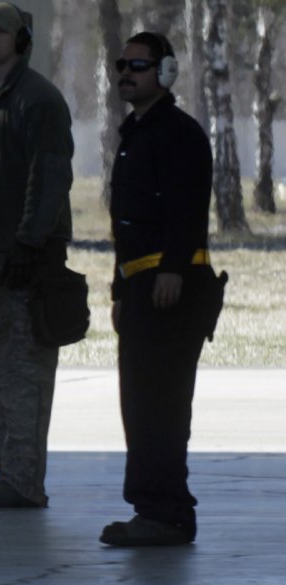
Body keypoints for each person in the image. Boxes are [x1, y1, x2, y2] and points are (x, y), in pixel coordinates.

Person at [0, 1, 74, 510]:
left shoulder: (38, 101)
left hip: (26, 258)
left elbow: (48, 179)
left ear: (22, 39)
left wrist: (29, 242)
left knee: (23, 369)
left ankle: (23, 480)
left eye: (0, 30)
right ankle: (9, 472)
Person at [102, 31, 218, 547]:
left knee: (162, 405)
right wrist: (120, 290)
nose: (127, 72)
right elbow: (125, 225)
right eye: (122, 64)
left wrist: (172, 268)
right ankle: (151, 506)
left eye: (139, 65)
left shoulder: (179, 133)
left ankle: (167, 512)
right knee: (140, 403)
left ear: (165, 73)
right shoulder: (136, 133)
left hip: (171, 287)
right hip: (141, 286)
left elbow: (187, 208)